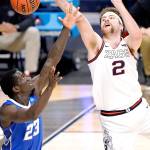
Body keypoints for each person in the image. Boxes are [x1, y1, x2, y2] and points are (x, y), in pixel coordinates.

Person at [55, 0, 150, 149]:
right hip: (114, 122)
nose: (106, 19)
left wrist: (118, 4)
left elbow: (137, 35)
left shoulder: (129, 44)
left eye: (111, 17)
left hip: (140, 111)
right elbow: (78, 18)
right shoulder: (96, 46)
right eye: (103, 19)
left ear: (121, 25)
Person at [0, 6, 78, 149]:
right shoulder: (7, 110)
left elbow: (51, 60)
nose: (29, 78)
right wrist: (49, 89)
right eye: (22, 77)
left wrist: (66, 28)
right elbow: (32, 114)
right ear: (16, 88)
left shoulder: (34, 91)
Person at [0, 0, 40, 76]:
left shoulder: (18, 2)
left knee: (33, 32)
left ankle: (29, 74)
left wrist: (15, 27)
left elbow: (31, 19)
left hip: (13, 38)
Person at [129, 0, 150, 87]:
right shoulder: (142, 5)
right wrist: (141, 30)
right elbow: (128, 21)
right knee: (146, 41)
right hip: (145, 35)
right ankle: (148, 74)